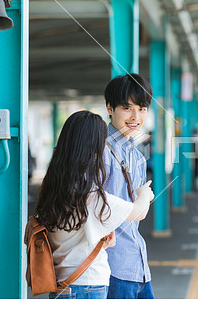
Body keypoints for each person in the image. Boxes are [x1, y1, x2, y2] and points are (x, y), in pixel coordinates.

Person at [35, 110, 154, 299]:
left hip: (62, 285)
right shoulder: (89, 194)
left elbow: (73, 235)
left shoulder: (53, 187)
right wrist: (144, 193)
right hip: (87, 286)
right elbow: (139, 212)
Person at [103, 74, 155, 299]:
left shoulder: (138, 158)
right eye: (127, 108)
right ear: (110, 108)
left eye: (142, 109)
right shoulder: (99, 151)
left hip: (138, 265)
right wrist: (143, 199)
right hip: (112, 269)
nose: (136, 117)